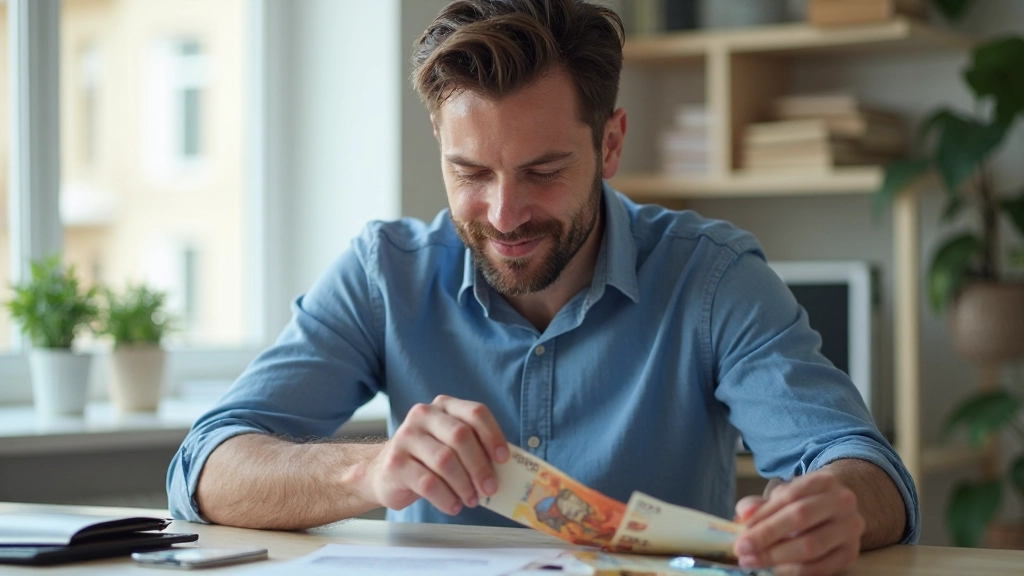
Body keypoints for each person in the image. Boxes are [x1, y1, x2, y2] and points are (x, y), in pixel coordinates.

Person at [168, 1, 919, 574]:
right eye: (471, 173)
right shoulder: (383, 274)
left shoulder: (712, 276)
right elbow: (205, 469)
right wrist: (369, 469)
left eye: (543, 171)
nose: (504, 214)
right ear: (439, 142)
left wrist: (836, 508)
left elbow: (859, 462)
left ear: (611, 143)